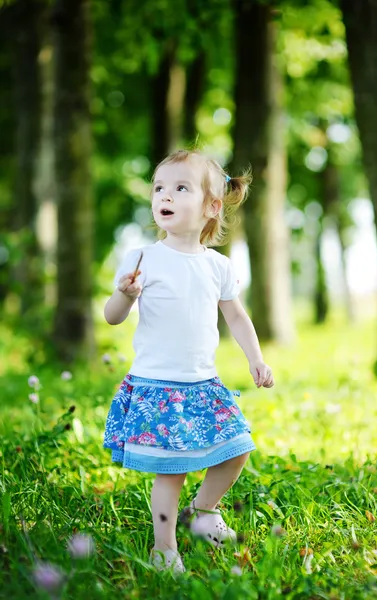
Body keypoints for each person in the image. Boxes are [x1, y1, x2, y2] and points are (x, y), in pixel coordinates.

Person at [103, 149, 274, 575]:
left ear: (211, 207)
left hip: (204, 383)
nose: (166, 195)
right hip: (158, 385)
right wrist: (125, 295)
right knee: (172, 471)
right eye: (160, 187)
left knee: (237, 449)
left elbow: (236, 315)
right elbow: (112, 316)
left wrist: (256, 358)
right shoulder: (143, 259)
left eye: (181, 188)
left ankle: (203, 513)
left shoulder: (218, 266)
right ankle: (165, 548)